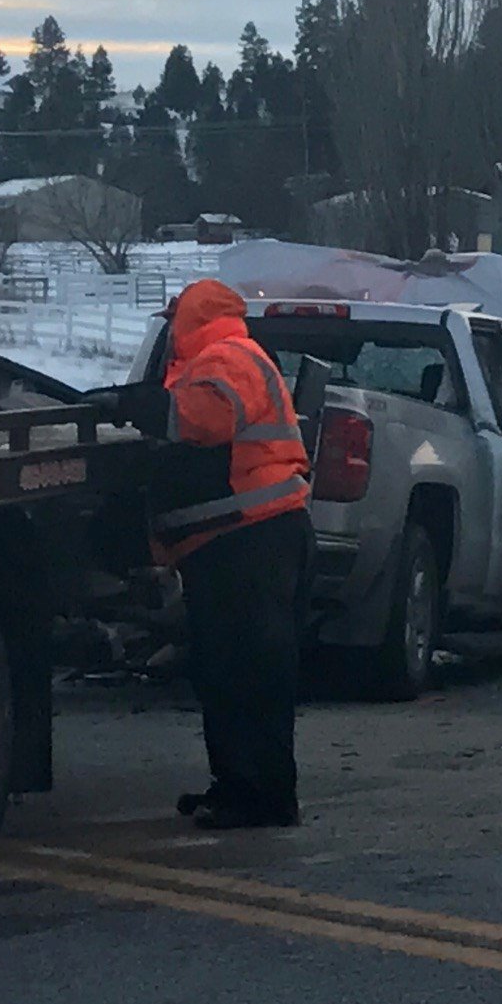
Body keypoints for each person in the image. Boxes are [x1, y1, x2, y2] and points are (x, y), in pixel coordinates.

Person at [152, 279, 313, 829]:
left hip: (248, 536)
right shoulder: (222, 356)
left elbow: (203, 421)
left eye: (174, 317)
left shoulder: (226, 357)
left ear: (190, 317)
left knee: (243, 671)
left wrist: (140, 412)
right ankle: (243, 787)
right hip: (241, 535)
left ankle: (259, 795)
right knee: (234, 670)